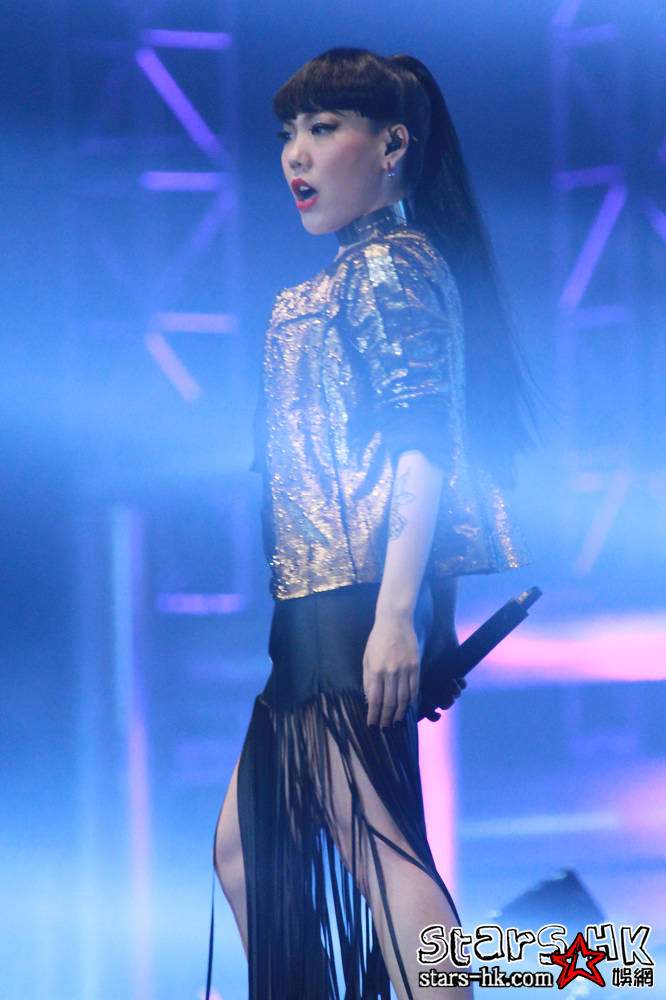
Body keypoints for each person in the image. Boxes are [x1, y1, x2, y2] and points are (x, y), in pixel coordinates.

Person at [207, 46, 541, 1000]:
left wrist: (401, 616)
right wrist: (425, 620)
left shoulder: (391, 267)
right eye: (289, 133)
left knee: (380, 850)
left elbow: (425, 445)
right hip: (320, 603)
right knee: (248, 849)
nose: (297, 155)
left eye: (324, 129)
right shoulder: (355, 274)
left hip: (353, 601)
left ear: (392, 146)